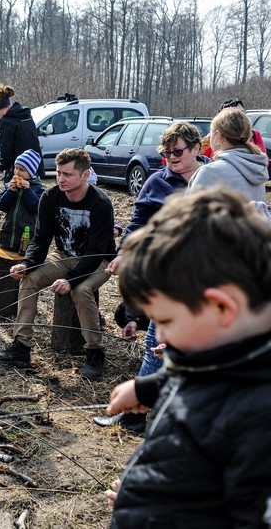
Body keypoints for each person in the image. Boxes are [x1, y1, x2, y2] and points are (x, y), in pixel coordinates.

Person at [104, 188, 271, 527]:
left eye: (166, 321)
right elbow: (197, 380)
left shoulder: (260, 423)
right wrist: (147, 388)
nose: (161, 336)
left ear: (222, 308)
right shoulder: (219, 353)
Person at [95, 121, 208, 433]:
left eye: (178, 151)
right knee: (156, 343)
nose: (171, 157)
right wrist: (122, 253)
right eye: (166, 152)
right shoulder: (157, 182)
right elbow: (137, 223)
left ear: (197, 148)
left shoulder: (213, 177)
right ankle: (135, 415)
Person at [0, 148, 116, 379]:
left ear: (85, 174)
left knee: (81, 290)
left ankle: (95, 352)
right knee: (30, 278)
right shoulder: (50, 197)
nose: (61, 179)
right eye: (59, 173)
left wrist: (69, 280)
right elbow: (40, 240)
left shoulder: (100, 203)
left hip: (98, 261)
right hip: (63, 256)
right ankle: (21, 346)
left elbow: (96, 252)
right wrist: (27, 263)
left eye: (67, 174)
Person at [188, 107, 269, 202]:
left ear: (218, 136)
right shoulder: (257, 169)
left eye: (211, 133)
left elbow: (190, 214)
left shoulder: (210, 172)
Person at [0, 84, 45, 182]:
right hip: (34, 166)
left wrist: (0, 167)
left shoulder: (6, 121)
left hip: (19, 168)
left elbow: (6, 150)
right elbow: (22, 135)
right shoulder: (25, 115)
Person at [0, 148, 45, 254]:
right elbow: (1, 206)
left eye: (22, 169)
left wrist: (28, 191)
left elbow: (36, 208)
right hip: (7, 235)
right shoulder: (9, 186)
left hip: (26, 236)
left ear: (31, 172)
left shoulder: (37, 188)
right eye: (16, 168)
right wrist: (10, 192)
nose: (17, 172)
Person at [201, 97, 266, 158]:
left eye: (242, 112)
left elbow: (263, 160)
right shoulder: (212, 138)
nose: (239, 117)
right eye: (233, 115)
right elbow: (204, 159)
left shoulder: (254, 134)